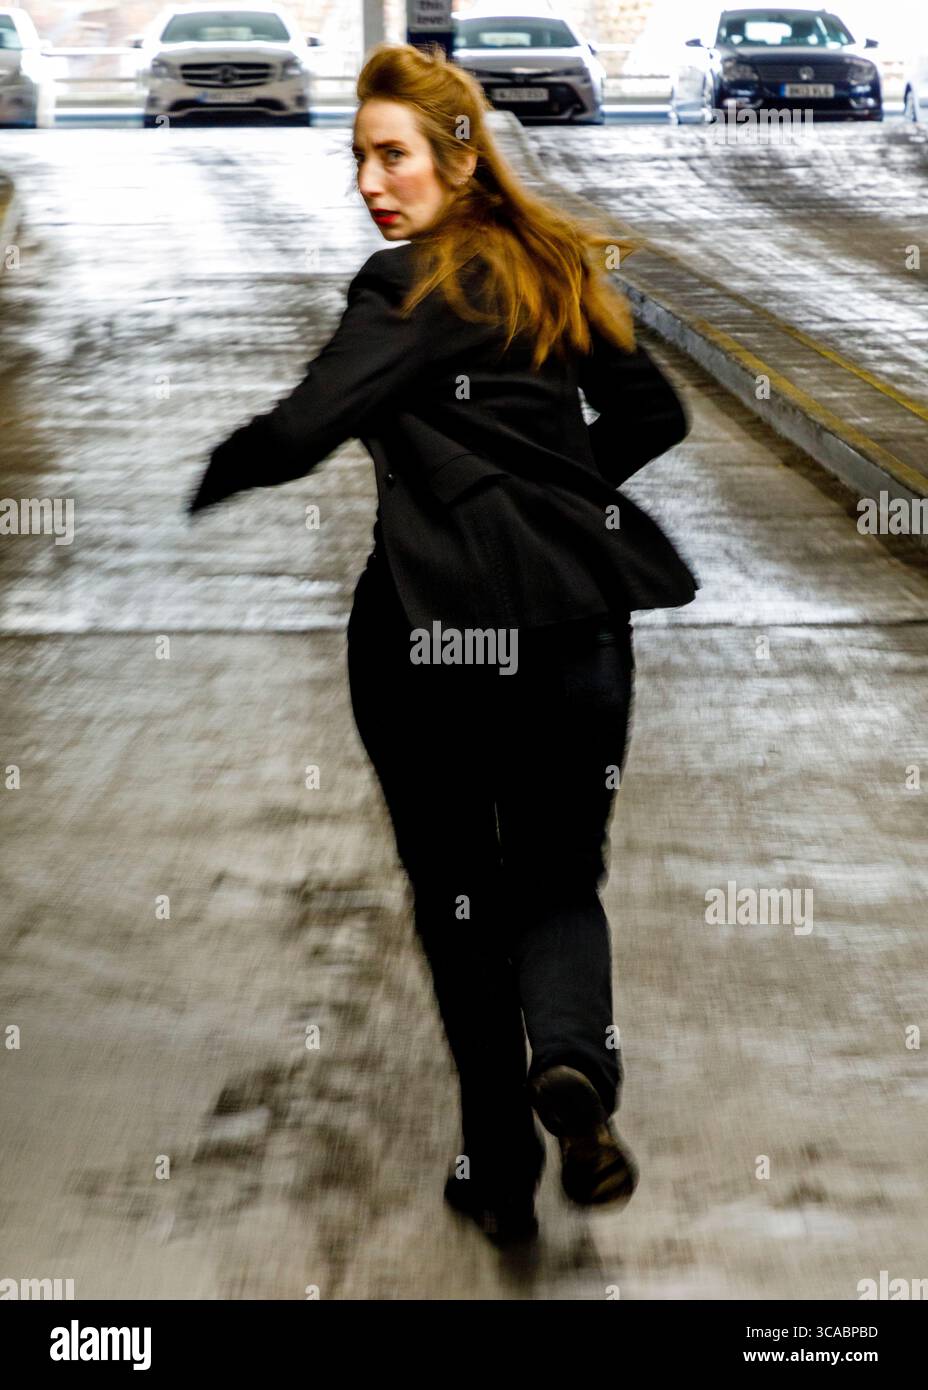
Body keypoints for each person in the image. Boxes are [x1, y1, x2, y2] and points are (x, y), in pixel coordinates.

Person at [187, 41, 698, 1248]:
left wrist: (204, 480)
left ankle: (500, 1167)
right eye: (359, 158)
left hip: (429, 645)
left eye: (392, 155)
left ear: (458, 163)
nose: (371, 181)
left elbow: (306, 423)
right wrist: (558, 497)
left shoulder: (402, 283)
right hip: (578, 632)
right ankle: (570, 1062)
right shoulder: (555, 267)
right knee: (561, 879)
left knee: (461, 898)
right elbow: (652, 414)